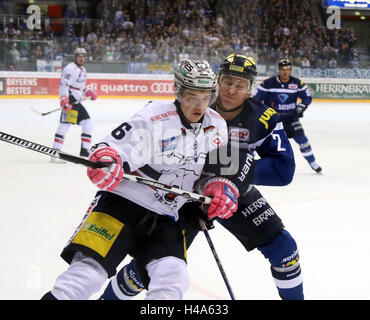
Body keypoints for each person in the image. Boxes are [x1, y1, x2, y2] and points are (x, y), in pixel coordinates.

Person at [100, 54, 304, 300]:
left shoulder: (263, 117)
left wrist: (229, 175)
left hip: (233, 192)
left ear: (250, 89)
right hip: (184, 192)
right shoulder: (195, 103)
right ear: (217, 80)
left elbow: (283, 171)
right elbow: (152, 138)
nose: (231, 90)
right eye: (227, 81)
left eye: (240, 85)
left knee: (284, 249)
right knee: (148, 267)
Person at [41, 59, 238, 300]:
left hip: (166, 217)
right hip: (121, 204)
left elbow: (213, 174)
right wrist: (107, 161)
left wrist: (218, 188)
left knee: (173, 279)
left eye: (206, 97)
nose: (199, 105)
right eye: (192, 97)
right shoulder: (155, 117)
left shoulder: (217, 126)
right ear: (178, 92)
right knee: (85, 277)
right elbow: (111, 148)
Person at [254, 58, 322, 173]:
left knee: (303, 140)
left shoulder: (296, 83)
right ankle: (259, 164)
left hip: (291, 118)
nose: (285, 72)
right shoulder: (268, 83)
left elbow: (307, 97)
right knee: (263, 143)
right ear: (279, 70)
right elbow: (256, 100)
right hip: (273, 120)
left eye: (287, 69)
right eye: (282, 69)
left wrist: (301, 107)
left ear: (291, 70)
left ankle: (313, 163)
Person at [51, 47, 97, 162]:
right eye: (79, 56)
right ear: (75, 57)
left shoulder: (82, 69)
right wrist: (64, 99)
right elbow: (64, 85)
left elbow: (80, 87)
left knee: (86, 124)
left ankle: (84, 152)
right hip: (71, 99)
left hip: (76, 99)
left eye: (83, 56)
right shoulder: (70, 69)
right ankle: (56, 153)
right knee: (66, 126)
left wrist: (88, 92)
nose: (82, 58)